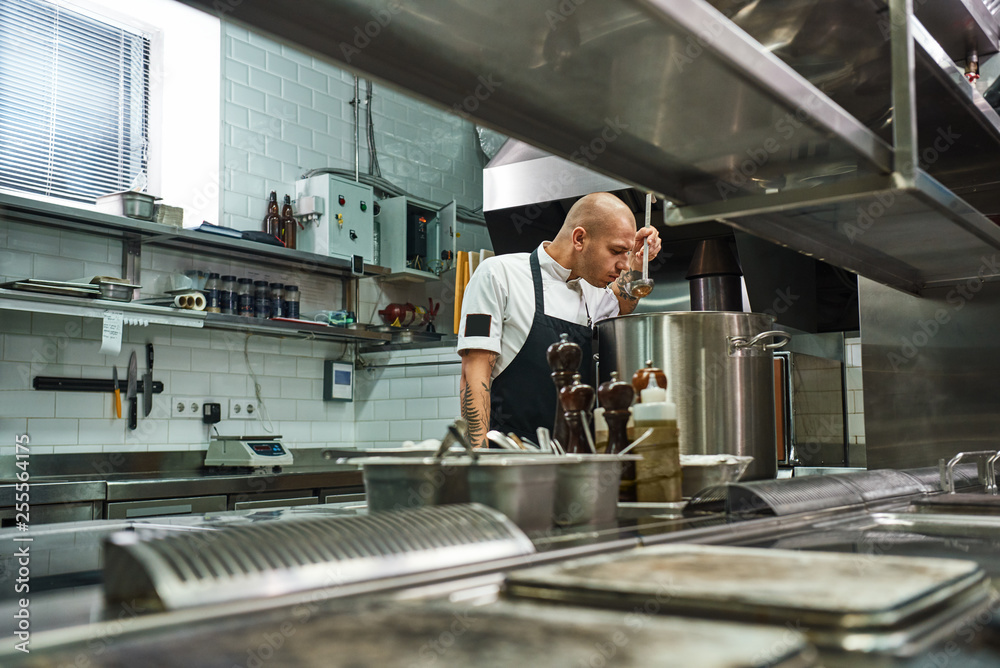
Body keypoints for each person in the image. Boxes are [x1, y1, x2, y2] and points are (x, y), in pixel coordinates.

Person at [457, 192, 662, 448]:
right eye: (616, 251)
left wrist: (637, 261)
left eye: (626, 253)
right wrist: (478, 458)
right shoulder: (497, 275)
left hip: (574, 460)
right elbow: (474, 372)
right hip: (509, 460)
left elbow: (623, 304)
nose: (622, 264)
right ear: (579, 239)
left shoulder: (591, 290)